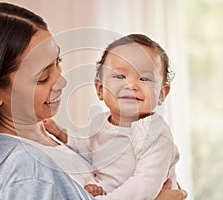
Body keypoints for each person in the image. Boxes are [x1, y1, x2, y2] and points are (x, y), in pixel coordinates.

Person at [0, 2, 187, 200]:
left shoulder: (42, 140)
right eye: (42, 77)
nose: (62, 82)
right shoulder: (27, 170)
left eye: (58, 62)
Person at [44, 34, 181, 199]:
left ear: (161, 94)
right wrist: (61, 134)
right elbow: (88, 148)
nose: (131, 85)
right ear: (100, 89)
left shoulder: (153, 131)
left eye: (144, 78)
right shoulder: (100, 121)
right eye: (119, 76)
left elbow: (145, 184)